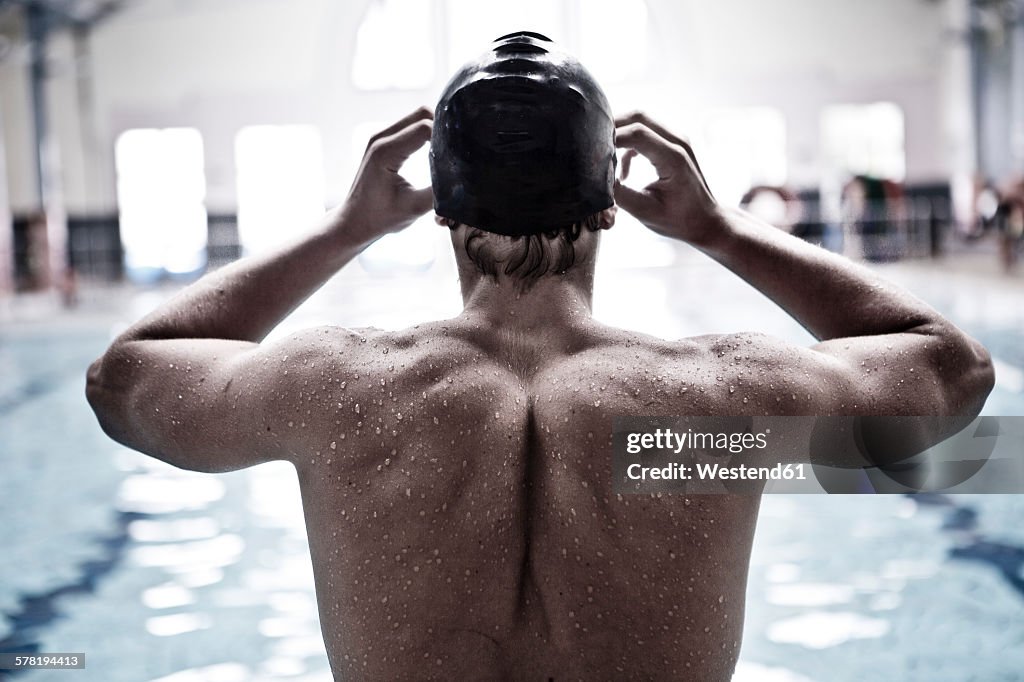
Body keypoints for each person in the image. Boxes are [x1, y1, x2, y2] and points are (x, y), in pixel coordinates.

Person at [87, 32, 994, 681]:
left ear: (438, 205)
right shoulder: (712, 408)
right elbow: (951, 376)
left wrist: (343, 231)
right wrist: (720, 230)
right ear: (610, 202)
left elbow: (124, 379)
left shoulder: (332, 385)